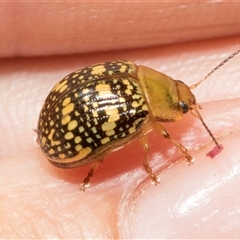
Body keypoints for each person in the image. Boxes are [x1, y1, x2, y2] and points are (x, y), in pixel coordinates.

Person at [1, 2, 240, 238]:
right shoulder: (142, 112)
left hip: (63, 104)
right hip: (65, 137)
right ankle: (92, 173)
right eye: (185, 107)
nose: (189, 107)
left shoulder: (129, 69)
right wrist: (170, 155)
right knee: (109, 150)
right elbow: (153, 141)